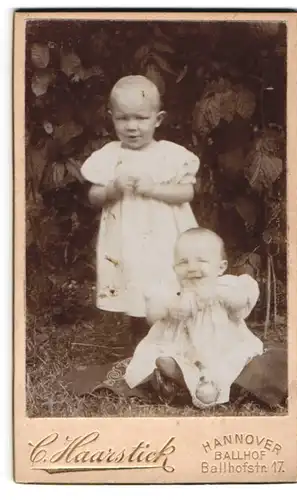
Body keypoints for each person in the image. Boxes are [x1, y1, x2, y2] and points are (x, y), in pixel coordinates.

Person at [81, 75, 199, 339]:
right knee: (134, 281)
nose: (132, 127)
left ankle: (174, 339)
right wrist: (113, 188)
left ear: (157, 119)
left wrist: (154, 189)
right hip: (126, 237)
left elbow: (187, 192)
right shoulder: (110, 156)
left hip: (165, 236)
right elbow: (94, 196)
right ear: (111, 117)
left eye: (141, 118)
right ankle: (139, 344)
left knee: (167, 282)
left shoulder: (171, 156)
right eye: (123, 119)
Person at [125, 228, 264, 408]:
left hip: (220, 346)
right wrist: (169, 307)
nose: (192, 268)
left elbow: (242, 302)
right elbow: (152, 314)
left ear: (221, 267)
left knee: (234, 360)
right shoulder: (171, 289)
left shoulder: (226, 286)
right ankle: (178, 374)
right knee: (157, 356)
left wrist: (215, 294)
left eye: (202, 261)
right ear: (174, 268)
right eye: (183, 262)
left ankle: (208, 385)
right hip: (179, 346)